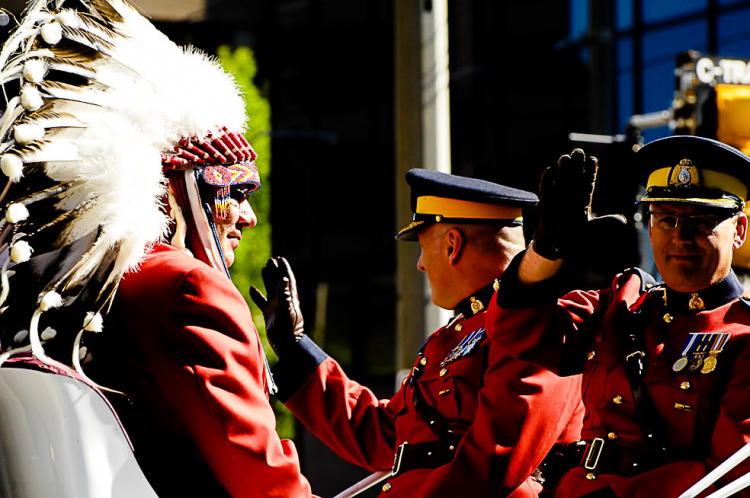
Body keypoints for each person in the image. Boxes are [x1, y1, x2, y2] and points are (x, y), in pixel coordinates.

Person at [0, 0, 314, 496]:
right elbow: (264, 482)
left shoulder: (117, 282)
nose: (248, 216)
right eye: (232, 190)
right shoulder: (190, 287)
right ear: (179, 189)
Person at [250, 169, 585, 497]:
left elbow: (491, 466)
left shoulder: (537, 326)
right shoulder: (453, 336)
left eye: (423, 247)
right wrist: (296, 350)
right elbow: (384, 434)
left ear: (453, 244)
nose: (420, 265)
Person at [486, 136, 750, 497]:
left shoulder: (743, 332)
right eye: (666, 219)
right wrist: (547, 251)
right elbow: (515, 330)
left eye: (702, 221)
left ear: (739, 230)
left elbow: (731, 476)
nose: (681, 237)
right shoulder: (624, 302)